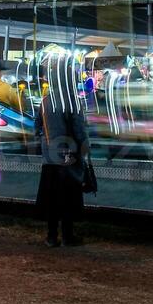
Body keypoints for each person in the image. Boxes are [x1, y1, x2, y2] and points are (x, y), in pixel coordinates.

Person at [35, 51, 91, 247]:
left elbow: (37, 127)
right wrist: (84, 152)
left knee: (52, 198)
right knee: (68, 198)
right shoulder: (72, 101)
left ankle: (51, 237)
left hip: (50, 159)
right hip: (68, 158)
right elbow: (80, 132)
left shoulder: (46, 100)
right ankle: (68, 236)